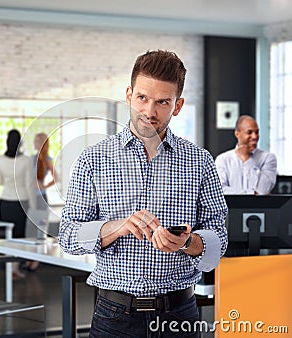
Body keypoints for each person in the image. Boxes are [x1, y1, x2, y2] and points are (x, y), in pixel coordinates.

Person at [58, 50, 228, 337]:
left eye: (163, 102)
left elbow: (219, 241)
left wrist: (187, 242)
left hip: (180, 315)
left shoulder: (199, 161)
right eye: (142, 98)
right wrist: (117, 227)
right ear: (128, 95)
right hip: (114, 316)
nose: (150, 112)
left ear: (178, 105)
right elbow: (68, 235)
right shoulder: (93, 159)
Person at [0, 129, 36, 278]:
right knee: (19, 236)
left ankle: (8, 269)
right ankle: (15, 269)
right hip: (21, 201)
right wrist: (34, 206)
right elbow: (30, 184)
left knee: (7, 236)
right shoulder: (26, 160)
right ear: (20, 143)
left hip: (5, 201)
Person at [215, 115, 277, 195]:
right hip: (231, 207)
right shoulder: (222, 160)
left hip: (258, 207)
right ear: (237, 134)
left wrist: (247, 157)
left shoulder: (268, 158)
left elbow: (262, 191)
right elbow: (219, 191)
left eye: (257, 132)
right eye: (249, 132)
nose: (255, 137)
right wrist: (252, 193)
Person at [33, 132, 58, 210]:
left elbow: (56, 178)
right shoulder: (32, 158)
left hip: (40, 197)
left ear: (41, 143)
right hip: (30, 196)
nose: (34, 142)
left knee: (41, 221)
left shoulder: (47, 160)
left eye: (36, 141)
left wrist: (44, 186)